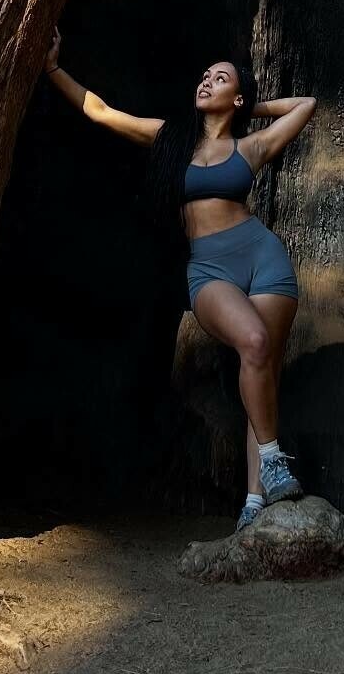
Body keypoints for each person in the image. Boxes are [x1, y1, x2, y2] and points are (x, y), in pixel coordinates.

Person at [43, 28, 317, 533]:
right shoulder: (171, 138)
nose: (206, 81)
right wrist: (53, 69)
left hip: (264, 260)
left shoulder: (251, 146)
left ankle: (255, 502)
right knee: (254, 342)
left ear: (236, 96)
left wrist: (246, 107)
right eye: (204, 76)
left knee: (263, 374)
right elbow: (101, 112)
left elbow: (307, 104)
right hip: (210, 269)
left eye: (220, 79)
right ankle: (273, 464)